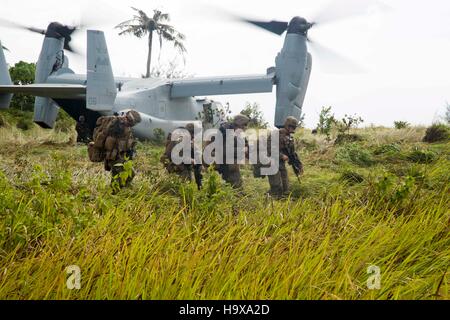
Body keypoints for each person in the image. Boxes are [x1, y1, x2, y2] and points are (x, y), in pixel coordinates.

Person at [93, 110, 141, 192]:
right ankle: (114, 193)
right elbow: (105, 137)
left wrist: (130, 150)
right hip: (113, 155)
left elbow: (127, 141)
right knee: (119, 175)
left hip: (121, 155)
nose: (127, 121)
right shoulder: (115, 122)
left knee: (128, 174)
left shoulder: (126, 127)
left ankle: (118, 190)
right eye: (128, 118)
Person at [267, 116, 303, 198]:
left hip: (280, 163)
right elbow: (270, 148)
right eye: (291, 127)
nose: (292, 129)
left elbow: (293, 153)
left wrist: (299, 164)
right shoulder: (275, 134)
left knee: (285, 183)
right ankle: (271, 198)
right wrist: (281, 155)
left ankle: (284, 197)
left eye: (294, 127)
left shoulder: (289, 138)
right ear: (287, 125)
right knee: (276, 185)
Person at [160, 123, 202, 188]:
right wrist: (191, 160)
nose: (194, 137)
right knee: (186, 183)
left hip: (176, 164)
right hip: (173, 165)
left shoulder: (185, 138)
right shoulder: (181, 138)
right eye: (193, 135)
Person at [216, 114, 250, 189]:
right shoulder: (227, 131)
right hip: (224, 163)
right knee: (235, 185)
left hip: (232, 163)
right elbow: (225, 150)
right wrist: (242, 150)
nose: (246, 127)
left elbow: (246, 143)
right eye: (245, 125)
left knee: (236, 183)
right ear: (239, 124)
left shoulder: (238, 132)